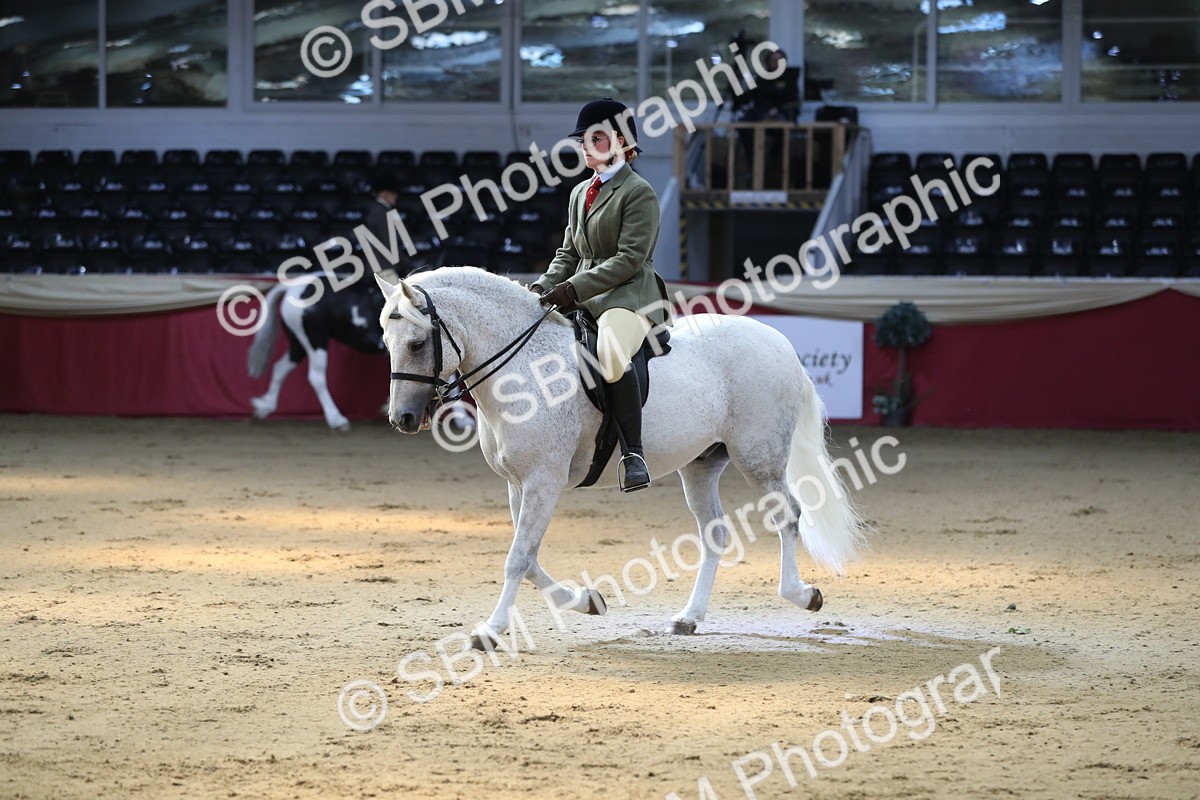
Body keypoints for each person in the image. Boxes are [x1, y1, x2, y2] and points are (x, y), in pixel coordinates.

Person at [530, 98, 671, 493]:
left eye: (596, 139)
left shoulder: (639, 192)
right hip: (582, 294)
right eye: (583, 141)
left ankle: (633, 454)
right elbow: (569, 253)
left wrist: (574, 287)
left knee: (610, 353)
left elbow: (629, 259)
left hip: (627, 295)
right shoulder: (580, 192)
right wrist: (541, 287)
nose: (585, 147)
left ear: (622, 143)